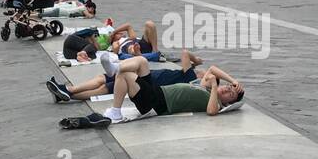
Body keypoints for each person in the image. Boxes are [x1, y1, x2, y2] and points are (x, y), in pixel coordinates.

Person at [103, 55, 242, 122]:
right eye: (228, 87)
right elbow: (212, 69)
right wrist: (233, 80)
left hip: (157, 104)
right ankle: (115, 67)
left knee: (125, 75)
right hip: (157, 91)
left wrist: (214, 85)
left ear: (228, 103)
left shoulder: (215, 103)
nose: (228, 89)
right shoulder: (206, 89)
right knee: (142, 61)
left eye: (231, 94)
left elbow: (211, 112)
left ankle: (116, 112)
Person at [47, 49, 206, 103]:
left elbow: (185, 53)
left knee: (104, 86)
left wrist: (196, 61)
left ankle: (68, 91)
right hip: (142, 76)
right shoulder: (188, 76)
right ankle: (67, 92)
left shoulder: (190, 76)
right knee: (103, 83)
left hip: (145, 80)